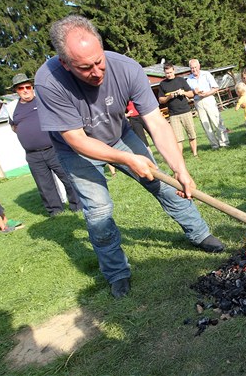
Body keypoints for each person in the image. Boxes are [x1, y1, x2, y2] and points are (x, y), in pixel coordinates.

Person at [34, 15, 225, 299]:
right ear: (65, 63)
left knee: (166, 186)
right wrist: (127, 160)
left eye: (99, 62)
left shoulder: (126, 68)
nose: (97, 72)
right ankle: (117, 273)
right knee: (99, 212)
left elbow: (157, 123)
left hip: (119, 135)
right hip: (76, 149)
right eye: (85, 68)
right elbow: (75, 139)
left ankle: (199, 234)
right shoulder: (48, 81)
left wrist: (180, 169)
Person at [7, 73, 82, 217]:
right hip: (33, 155)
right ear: (16, 91)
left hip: (54, 149)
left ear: (32, 87)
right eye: (21, 88)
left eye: (28, 87)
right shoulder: (12, 108)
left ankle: (77, 205)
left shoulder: (43, 100)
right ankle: (55, 211)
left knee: (67, 177)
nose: (25, 90)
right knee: (44, 185)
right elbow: (14, 127)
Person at [186, 59, 230, 150]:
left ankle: (224, 142)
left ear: (199, 66)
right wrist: (194, 94)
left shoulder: (206, 74)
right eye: (192, 68)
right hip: (198, 102)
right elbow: (188, 94)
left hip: (208, 98)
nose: (194, 69)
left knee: (217, 121)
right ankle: (214, 145)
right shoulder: (189, 79)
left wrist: (207, 93)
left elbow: (215, 87)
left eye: (195, 67)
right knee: (206, 125)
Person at [158, 62, 199, 157]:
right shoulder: (162, 84)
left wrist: (183, 92)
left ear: (174, 71)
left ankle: (195, 154)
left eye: (171, 72)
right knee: (178, 138)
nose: (169, 74)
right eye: (167, 73)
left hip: (186, 111)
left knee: (192, 134)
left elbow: (191, 94)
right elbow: (161, 100)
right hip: (173, 114)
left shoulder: (181, 80)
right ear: (164, 73)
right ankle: (180, 157)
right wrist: (169, 97)